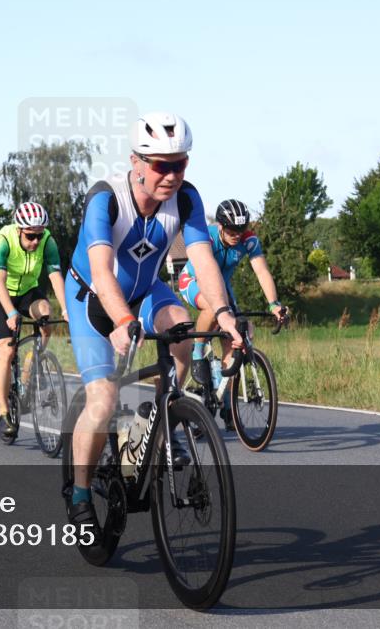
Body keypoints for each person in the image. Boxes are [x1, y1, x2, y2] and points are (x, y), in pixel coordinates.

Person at [64, 111, 242, 533]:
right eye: (161, 165)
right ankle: (80, 493)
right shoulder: (105, 198)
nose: (171, 175)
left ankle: (159, 418)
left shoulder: (186, 199)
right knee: (103, 402)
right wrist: (122, 319)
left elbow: (203, 262)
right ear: (136, 162)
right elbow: (103, 274)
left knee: (181, 326)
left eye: (179, 164)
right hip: (93, 299)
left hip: (145, 293)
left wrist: (223, 315)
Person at [178, 199, 286, 424]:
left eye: (241, 229)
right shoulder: (206, 237)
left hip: (223, 289)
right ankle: (197, 351)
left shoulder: (248, 241)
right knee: (211, 305)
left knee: (237, 337)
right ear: (220, 226)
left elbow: (262, 271)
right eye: (231, 230)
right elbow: (205, 275)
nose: (237, 234)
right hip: (194, 281)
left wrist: (274, 303)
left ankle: (225, 397)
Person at [0, 202, 68, 435]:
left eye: (39, 237)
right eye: (30, 236)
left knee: (45, 315)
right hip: (0, 293)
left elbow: (55, 276)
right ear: (19, 230)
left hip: (28, 291)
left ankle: (27, 374)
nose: (35, 242)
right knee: (7, 349)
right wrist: (10, 313)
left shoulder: (47, 241)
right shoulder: (3, 241)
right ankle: (3, 411)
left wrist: (66, 309)